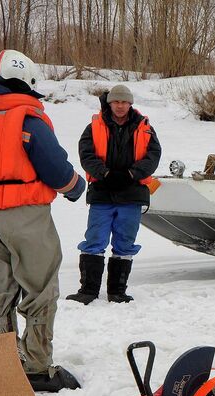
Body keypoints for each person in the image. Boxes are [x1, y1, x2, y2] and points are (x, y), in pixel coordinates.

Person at [0, 49, 86, 393]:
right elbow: (55, 169)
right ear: (26, 83)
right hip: (24, 214)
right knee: (40, 287)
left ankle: (1, 359)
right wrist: (76, 187)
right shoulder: (26, 119)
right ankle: (38, 367)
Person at [66, 84, 161, 305]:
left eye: (124, 102)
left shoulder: (145, 127)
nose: (120, 106)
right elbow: (86, 154)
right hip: (102, 191)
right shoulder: (93, 126)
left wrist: (131, 174)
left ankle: (117, 292)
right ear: (109, 103)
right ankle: (88, 290)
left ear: (130, 104)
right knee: (94, 240)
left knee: (125, 243)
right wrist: (105, 174)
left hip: (132, 193)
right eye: (116, 102)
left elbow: (153, 156)